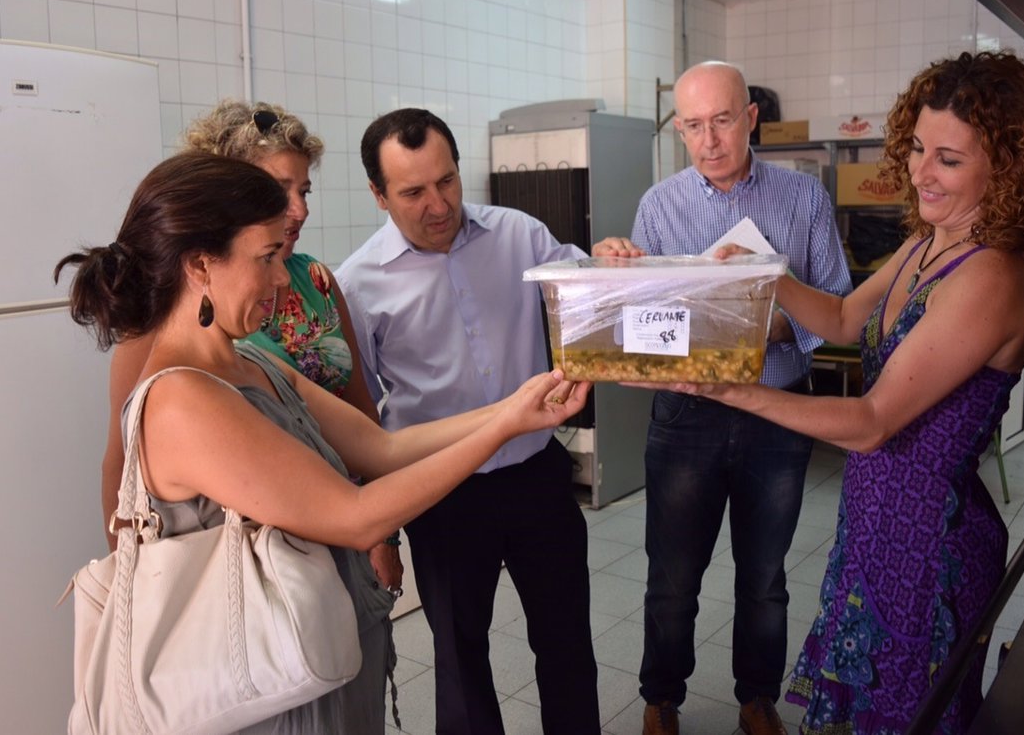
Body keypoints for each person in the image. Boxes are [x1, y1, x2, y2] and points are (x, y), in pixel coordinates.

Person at [54, 152, 590, 734]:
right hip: (267, 689)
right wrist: (502, 430)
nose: (283, 277)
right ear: (201, 265)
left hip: (316, 658)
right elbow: (355, 515)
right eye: (266, 257)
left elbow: (381, 449)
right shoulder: (182, 399)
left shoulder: (251, 361)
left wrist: (513, 408)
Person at [639, 51, 1024, 733]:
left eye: (948, 159)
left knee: (910, 712)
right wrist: (768, 271)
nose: (920, 172)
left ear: (1009, 167)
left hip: (928, 543)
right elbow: (847, 318)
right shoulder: (928, 243)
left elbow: (874, 420)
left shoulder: (992, 278)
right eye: (917, 148)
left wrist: (731, 389)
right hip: (876, 522)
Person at [336, 108, 622, 735]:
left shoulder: (519, 234)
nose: (438, 205)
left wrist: (609, 260)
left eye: (447, 181)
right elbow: (359, 417)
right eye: (413, 192)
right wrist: (380, 533)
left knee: (567, 642)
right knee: (461, 658)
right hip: (441, 493)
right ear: (379, 195)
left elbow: (589, 295)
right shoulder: (356, 285)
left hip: (536, 476)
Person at [594, 60, 852, 735]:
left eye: (722, 121)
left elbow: (838, 307)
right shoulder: (659, 205)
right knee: (672, 575)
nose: (709, 140)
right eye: (692, 126)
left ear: (750, 118)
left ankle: (757, 698)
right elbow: (643, 321)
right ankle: (661, 698)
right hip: (688, 416)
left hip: (779, 413)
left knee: (764, 576)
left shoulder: (804, 199)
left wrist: (762, 324)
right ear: (679, 130)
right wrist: (616, 272)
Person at [98, 100, 401, 601]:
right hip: (253, 581)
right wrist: (132, 587)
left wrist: (383, 536)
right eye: (279, 190)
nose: (298, 209)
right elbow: (123, 466)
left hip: (346, 545)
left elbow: (363, 415)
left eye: (303, 190)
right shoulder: (167, 322)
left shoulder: (316, 282)